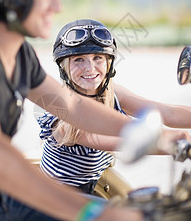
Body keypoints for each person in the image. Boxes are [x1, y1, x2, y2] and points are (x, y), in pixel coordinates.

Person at [0, 0, 144, 221]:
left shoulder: (18, 55)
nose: (57, 6)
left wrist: (161, 137)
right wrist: (91, 212)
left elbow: (71, 105)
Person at [37, 18, 191, 195]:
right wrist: (181, 139)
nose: (90, 68)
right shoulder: (61, 110)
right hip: (54, 199)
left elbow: (167, 112)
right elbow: (122, 140)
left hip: (92, 188)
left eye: (97, 58)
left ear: (109, 63)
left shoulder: (111, 93)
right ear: (64, 67)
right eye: (79, 59)